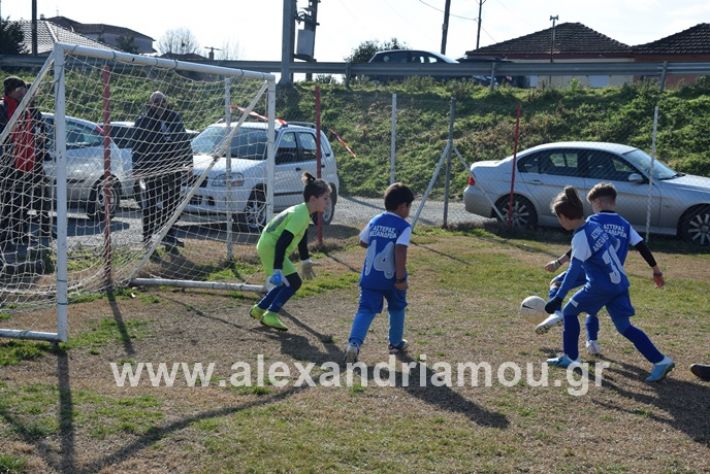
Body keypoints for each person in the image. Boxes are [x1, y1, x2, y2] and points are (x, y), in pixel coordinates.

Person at [544, 186, 674, 383]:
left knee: (569, 311)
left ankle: (571, 358)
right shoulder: (594, 227)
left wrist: (559, 297)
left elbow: (573, 271)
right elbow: (613, 242)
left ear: (563, 217)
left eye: (558, 218)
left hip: (600, 287)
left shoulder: (582, 234)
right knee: (624, 327)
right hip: (620, 283)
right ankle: (661, 360)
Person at [249, 172, 331, 331]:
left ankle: (259, 309)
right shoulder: (301, 215)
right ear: (313, 199)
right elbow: (282, 241)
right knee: (294, 282)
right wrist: (278, 268)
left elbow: (301, 239)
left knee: (287, 282)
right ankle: (270, 314)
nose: (328, 203)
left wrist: (305, 261)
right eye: (325, 198)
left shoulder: (302, 212)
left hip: (268, 245)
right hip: (271, 247)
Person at [344, 182, 414, 364]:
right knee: (397, 307)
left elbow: (362, 241)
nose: (409, 211)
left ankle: (354, 344)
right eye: (409, 206)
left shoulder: (375, 220)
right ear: (402, 206)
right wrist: (400, 278)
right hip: (392, 277)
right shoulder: (403, 226)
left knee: (365, 309)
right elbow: (400, 251)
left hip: (371, 275)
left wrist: (379, 238)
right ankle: (395, 343)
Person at [132, 91, 192, 252]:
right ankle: (147, 238)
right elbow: (137, 145)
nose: (160, 104)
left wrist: (188, 163)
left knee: (171, 204)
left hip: (173, 167)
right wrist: (137, 168)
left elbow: (183, 140)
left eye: (163, 101)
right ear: (150, 103)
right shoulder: (143, 121)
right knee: (150, 204)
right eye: (156, 101)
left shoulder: (174, 118)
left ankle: (169, 237)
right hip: (153, 169)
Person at [0, 76, 48, 255]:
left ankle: (19, 233)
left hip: (26, 162)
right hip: (8, 164)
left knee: (22, 201)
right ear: (11, 91)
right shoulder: (3, 108)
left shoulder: (27, 110)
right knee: (7, 203)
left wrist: (38, 138)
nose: (23, 94)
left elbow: (34, 129)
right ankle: (5, 239)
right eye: (20, 91)